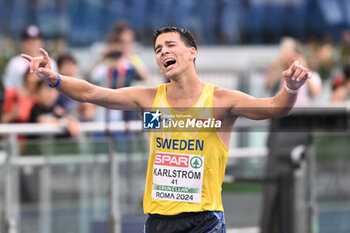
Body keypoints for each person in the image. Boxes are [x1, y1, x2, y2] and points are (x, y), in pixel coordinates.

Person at [22, 27, 311, 233]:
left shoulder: (220, 101)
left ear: (191, 53)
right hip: (159, 220)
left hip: (203, 221)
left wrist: (291, 88)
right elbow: (92, 93)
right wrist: (54, 78)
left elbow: (275, 108)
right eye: (158, 50)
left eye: (170, 45)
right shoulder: (149, 100)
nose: (163, 52)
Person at [3, 25, 57, 89]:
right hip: (20, 97)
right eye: (28, 41)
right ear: (22, 43)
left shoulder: (50, 62)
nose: (32, 44)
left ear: (41, 42)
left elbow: (55, 88)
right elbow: (8, 86)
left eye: (35, 41)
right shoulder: (14, 63)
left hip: (44, 98)